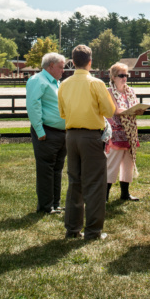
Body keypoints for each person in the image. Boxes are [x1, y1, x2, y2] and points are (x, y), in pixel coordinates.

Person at [58, 44, 116, 240]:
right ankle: (92, 231)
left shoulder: (64, 84)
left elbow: (62, 112)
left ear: (73, 62)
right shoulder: (96, 83)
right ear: (90, 62)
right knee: (95, 183)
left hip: (71, 136)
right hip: (91, 136)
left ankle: (72, 229)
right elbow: (110, 111)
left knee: (74, 182)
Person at [25, 52, 67, 214]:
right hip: (47, 132)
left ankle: (55, 204)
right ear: (50, 66)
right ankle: (45, 206)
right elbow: (33, 105)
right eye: (61, 67)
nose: (63, 70)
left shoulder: (55, 83)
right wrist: (39, 130)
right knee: (46, 170)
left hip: (60, 133)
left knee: (57, 169)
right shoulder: (38, 81)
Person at [105, 62, 142, 202]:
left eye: (126, 75)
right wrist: (129, 111)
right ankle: (105, 195)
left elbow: (135, 106)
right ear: (113, 77)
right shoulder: (109, 91)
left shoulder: (130, 91)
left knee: (128, 164)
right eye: (121, 75)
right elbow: (115, 109)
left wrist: (138, 109)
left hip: (130, 131)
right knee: (112, 164)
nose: (124, 78)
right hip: (116, 132)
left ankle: (125, 194)